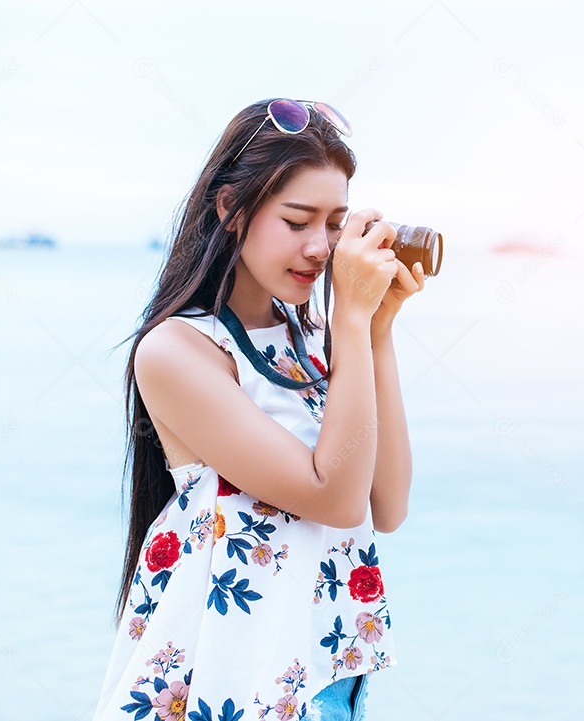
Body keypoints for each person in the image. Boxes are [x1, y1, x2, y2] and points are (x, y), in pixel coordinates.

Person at [93, 98, 425, 721]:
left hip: (326, 676)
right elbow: (334, 498)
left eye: (336, 224)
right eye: (297, 222)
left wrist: (376, 330)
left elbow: (388, 505)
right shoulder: (178, 350)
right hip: (228, 682)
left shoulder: (317, 336)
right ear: (232, 210)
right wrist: (352, 322)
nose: (321, 247)